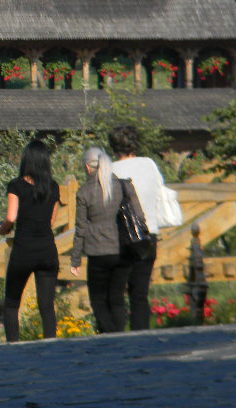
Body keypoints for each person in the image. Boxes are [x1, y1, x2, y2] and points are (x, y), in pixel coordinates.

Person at [0, 140, 61, 342]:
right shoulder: (54, 187)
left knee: (12, 303)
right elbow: (51, 221)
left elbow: (11, 218)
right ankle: (51, 345)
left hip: (24, 251)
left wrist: (0, 230)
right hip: (48, 250)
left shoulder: (16, 185)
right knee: (47, 306)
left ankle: (14, 345)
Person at [69, 147, 130, 333]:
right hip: (120, 247)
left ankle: (108, 334)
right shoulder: (119, 186)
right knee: (117, 298)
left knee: (98, 299)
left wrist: (75, 259)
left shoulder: (84, 192)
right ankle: (120, 334)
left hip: (97, 250)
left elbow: (80, 228)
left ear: (88, 167)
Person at [109, 124, 163, 330]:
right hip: (149, 233)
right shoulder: (149, 164)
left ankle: (118, 335)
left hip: (122, 236)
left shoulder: (111, 170)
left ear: (113, 146)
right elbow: (159, 190)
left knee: (116, 292)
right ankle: (142, 334)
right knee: (139, 293)